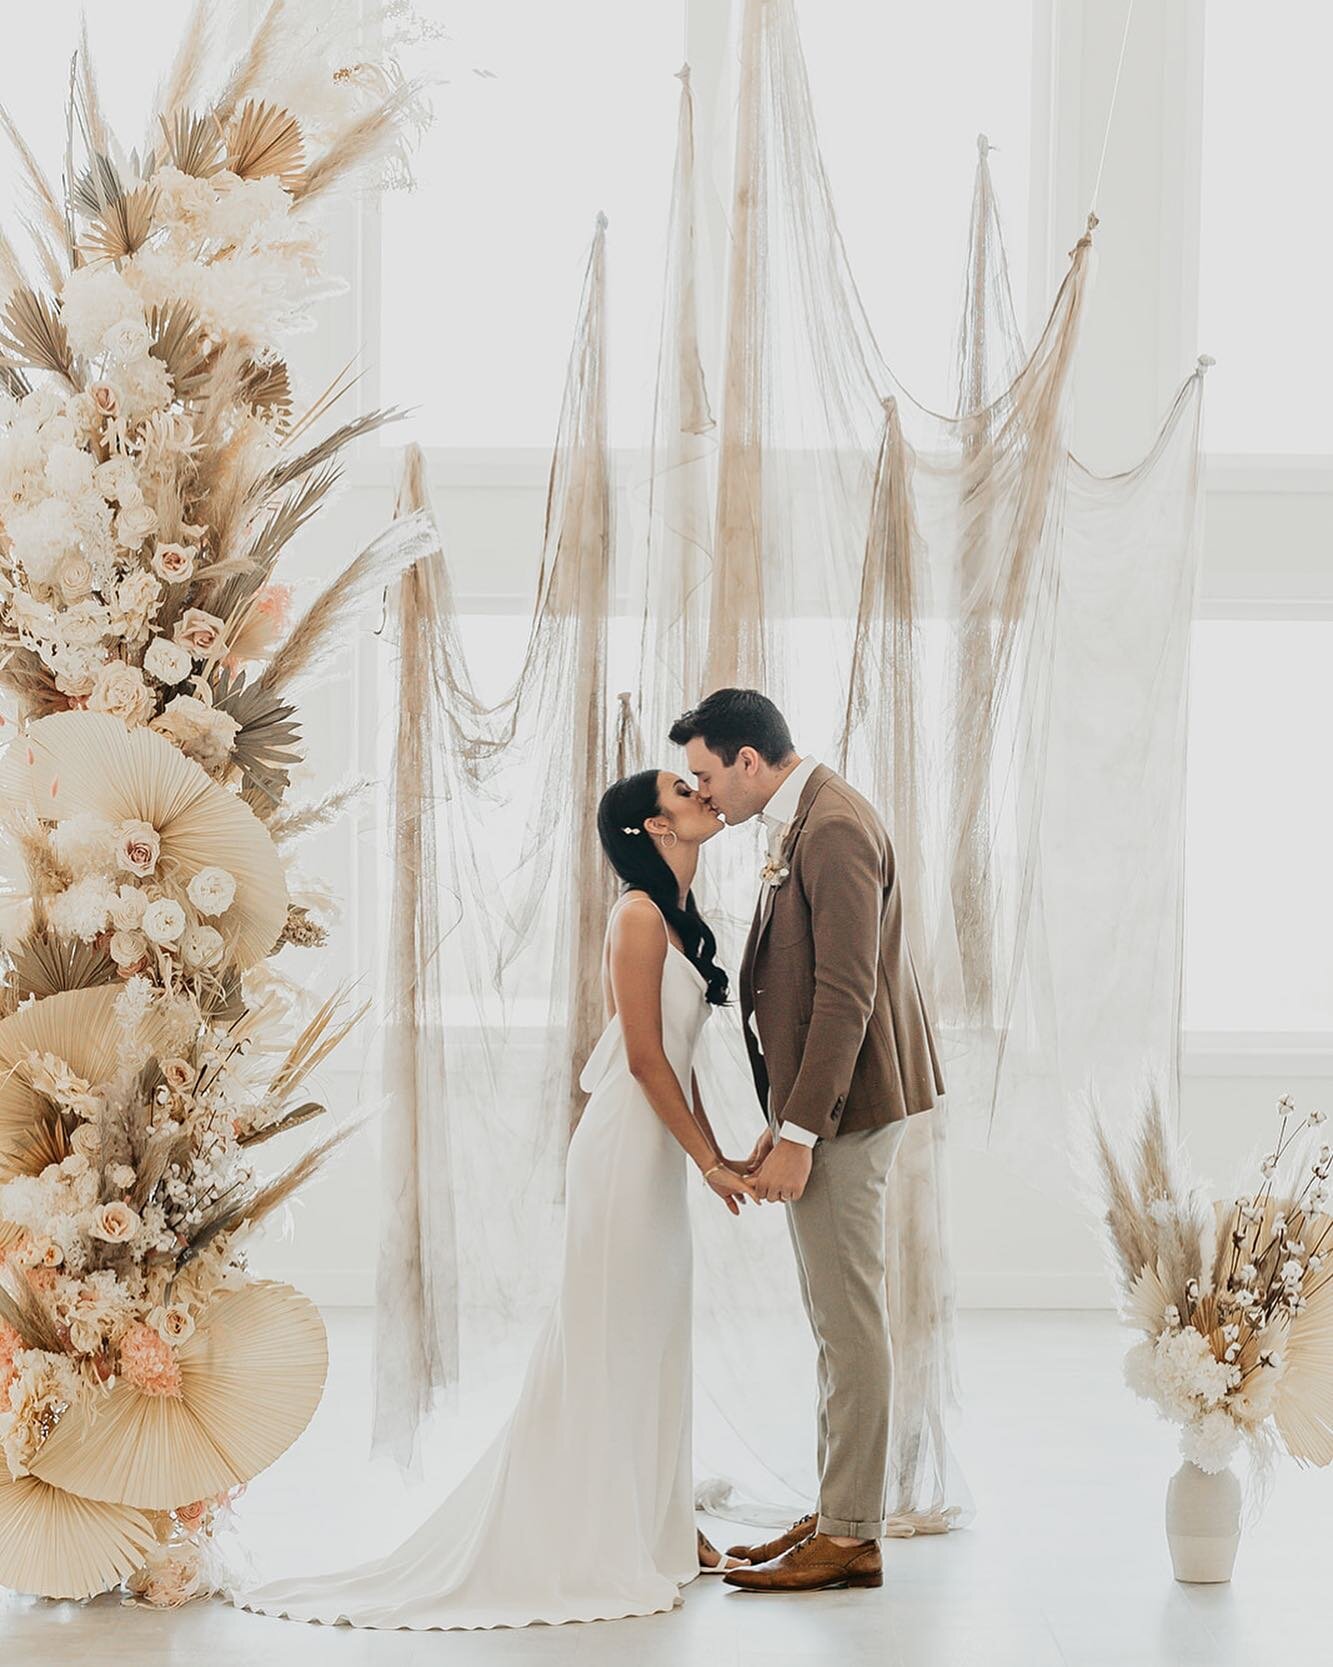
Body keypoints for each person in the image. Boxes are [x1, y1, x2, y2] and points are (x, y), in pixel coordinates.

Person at [229, 769, 757, 1630]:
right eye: (680, 788)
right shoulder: (634, 917)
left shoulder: (677, 922)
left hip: (659, 1153)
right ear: (651, 828)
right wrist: (706, 1161)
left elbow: (681, 1059)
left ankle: (656, 1521)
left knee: (654, 1330)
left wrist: (715, 1152)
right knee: (608, 1333)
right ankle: (595, 1532)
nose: (702, 790)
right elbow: (641, 1060)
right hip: (625, 1155)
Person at [669, 688, 945, 1594]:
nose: (704, 795)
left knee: (847, 1316)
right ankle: (837, 1511)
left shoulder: (829, 827)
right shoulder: (806, 819)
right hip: (833, 1105)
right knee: (834, 1316)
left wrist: (797, 1134)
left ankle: (852, 1534)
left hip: (852, 1108)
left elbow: (844, 995)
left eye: (708, 775)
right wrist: (784, 1118)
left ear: (751, 761)